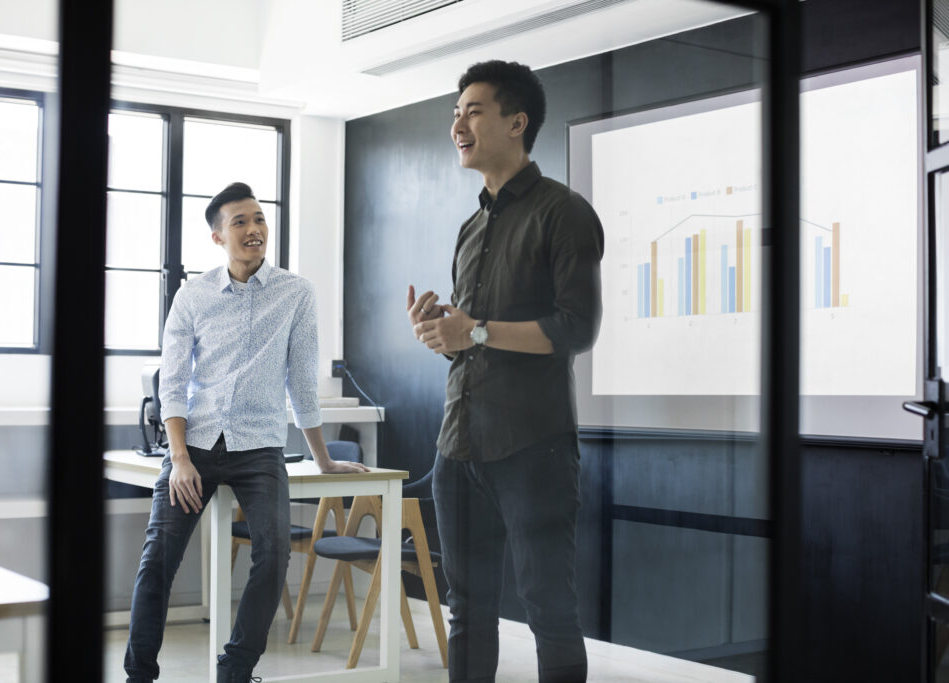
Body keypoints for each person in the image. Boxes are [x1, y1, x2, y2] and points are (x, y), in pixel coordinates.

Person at [407, 60, 604, 682]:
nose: (457, 124)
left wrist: (478, 330)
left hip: (533, 448)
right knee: (467, 610)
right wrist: (442, 334)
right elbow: (472, 341)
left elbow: (577, 328)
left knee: (549, 610)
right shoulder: (471, 228)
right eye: (455, 113)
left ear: (517, 123)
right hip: (459, 449)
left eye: (473, 111)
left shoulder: (564, 213)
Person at [124, 182, 367, 683]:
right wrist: (180, 459)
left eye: (259, 219)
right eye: (241, 222)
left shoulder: (296, 293)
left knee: (274, 554)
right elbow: (172, 381)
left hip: (259, 447)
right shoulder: (192, 296)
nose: (254, 230)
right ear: (218, 237)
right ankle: (139, 675)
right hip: (194, 443)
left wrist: (322, 460)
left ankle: (235, 671)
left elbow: (301, 381)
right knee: (158, 559)